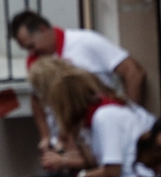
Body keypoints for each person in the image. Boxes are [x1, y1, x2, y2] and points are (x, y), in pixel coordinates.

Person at [11, 10, 147, 149]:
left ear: (43, 29)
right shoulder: (34, 61)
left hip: (104, 132)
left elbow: (133, 71)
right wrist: (45, 136)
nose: (31, 52)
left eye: (31, 46)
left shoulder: (85, 41)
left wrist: (130, 115)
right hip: (67, 142)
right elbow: (36, 98)